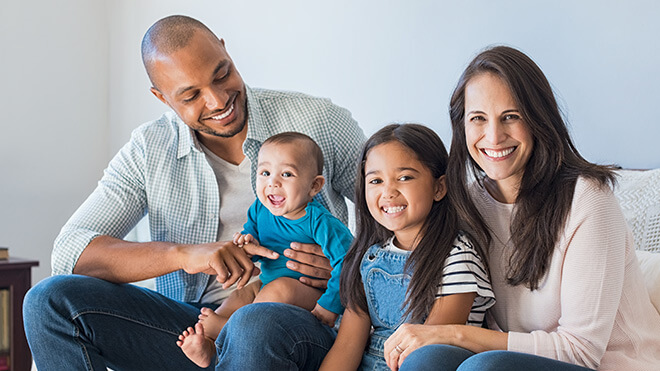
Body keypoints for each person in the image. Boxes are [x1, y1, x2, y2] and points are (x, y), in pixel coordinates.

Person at [23, 15, 365, 370]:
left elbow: (401, 217)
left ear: (224, 49)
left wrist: (349, 270)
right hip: (198, 332)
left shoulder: (318, 121)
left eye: (222, 74)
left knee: (254, 322)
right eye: (191, 95)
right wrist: (184, 254)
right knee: (49, 301)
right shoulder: (149, 149)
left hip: (299, 323)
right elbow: (69, 253)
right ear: (162, 97)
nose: (218, 101)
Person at [384, 46, 660, 371]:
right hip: (507, 363)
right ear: (462, 126)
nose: (494, 136)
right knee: (427, 359)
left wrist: (456, 334)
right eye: (478, 119)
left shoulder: (587, 198)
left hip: (610, 366)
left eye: (510, 117)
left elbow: (580, 352)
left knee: (484, 368)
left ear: (538, 119)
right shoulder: (467, 203)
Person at [319, 123, 495, 371]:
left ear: (438, 187)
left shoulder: (457, 256)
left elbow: (428, 348)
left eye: (404, 177)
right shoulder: (370, 257)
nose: (388, 192)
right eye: (376, 180)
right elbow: (347, 346)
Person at [177, 132, 353, 368]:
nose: (273, 182)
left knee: (279, 289)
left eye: (287, 174)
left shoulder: (320, 222)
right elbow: (252, 235)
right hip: (266, 286)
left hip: (307, 293)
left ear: (314, 186)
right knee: (242, 294)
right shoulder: (260, 209)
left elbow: (349, 262)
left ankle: (225, 330)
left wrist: (330, 306)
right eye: (265, 173)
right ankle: (210, 345)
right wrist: (246, 242)